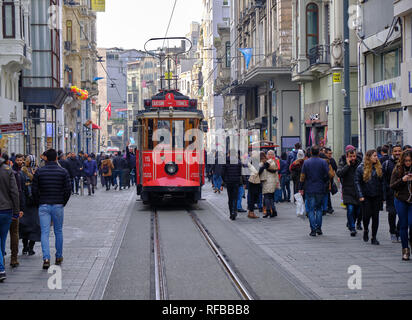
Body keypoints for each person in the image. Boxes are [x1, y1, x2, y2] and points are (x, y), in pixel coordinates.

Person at [32, 149, 71, 269]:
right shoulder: (63, 172)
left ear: (46, 158)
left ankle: (46, 258)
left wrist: (39, 201)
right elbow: (68, 190)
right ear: (56, 158)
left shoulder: (39, 172)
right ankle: (58, 256)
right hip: (58, 204)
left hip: (43, 204)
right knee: (58, 231)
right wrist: (62, 202)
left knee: (44, 232)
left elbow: (34, 190)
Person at [354, 150, 384, 245]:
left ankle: (374, 237)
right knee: (366, 216)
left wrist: (383, 196)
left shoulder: (379, 167)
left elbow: (382, 183)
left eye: (376, 156)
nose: (376, 157)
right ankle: (366, 229)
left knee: (376, 217)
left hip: (376, 196)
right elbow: (357, 182)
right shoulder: (361, 168)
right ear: (369, 157)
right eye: (374, 156)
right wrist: (360, 195)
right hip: (366, 196)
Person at [299, 145, 330, 236]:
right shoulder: (323, 162)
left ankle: (313, 229)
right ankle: (318, 228)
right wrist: (324, 183)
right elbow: (327, 175)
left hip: (309, 188)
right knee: (319, 209)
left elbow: (302, 176)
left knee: (311, 210)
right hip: (320, 188)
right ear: (319, 152)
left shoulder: (306, 163)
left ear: (311, 152)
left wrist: (301, 187)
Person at [0, 151, 20, 282]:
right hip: (6, 210)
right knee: (2, 239)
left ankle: (1, 268)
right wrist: (16, 211)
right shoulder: (8, 170)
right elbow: (14, 192)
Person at [390, 150, 412, 261]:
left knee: (411, 223)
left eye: (410, 161)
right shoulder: (398, 169)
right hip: (400, 200)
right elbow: (392, 186)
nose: (408, 163)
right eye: (406, 161)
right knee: (403, 225)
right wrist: (403, 180)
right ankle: (405, 250)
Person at [337, 147, 362, 237]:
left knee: (358, 211)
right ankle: (352, 228)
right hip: (348, 190)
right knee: (350, 209)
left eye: (354, 156)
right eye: (350, 156)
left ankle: (351, 222)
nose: (352, 158)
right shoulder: (343, 163)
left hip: (358, 190)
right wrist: (347, 165)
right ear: (347, 157)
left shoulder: (360, 163)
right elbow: (339, 174)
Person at [19, 155, 41, 256]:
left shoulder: (21, 173)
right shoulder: (38, 172)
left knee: (24, 226)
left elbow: (19, 189)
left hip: (24, 203)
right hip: (34, 204)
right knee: (34, 226)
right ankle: (31, 248)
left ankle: (25, 247)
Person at [382, 144, 403, 243]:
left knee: (402, 214)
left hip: (403, 193)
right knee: (392, 213)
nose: (397, 153)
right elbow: (383, 179)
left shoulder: (405, 163)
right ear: (392, 152)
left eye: (399, 151)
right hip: (391, 193)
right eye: (395, 151)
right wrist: (384, 194)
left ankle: (398, 231)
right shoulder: (387, 164)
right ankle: (392, 232)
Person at [10, 154, 25, 268]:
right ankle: (14, 258)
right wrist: (19, 209)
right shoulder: (13, 173)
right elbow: (17, 193)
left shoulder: (15, 172)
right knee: (14, 232)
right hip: (11, 208)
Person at [221, 150, 243, 221]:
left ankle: (231, 213)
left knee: (230, 198)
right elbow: (240, 173)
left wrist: (225, 180)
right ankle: (234, 211)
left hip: (229, 182)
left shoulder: (225, 162)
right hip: (236, 182)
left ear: (229, 154)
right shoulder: (238, 162)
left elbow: (222, 173)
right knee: (235, 198)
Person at [259, 150, 279, 218]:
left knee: (267, 197)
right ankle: (273, 211)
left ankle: (268, 211)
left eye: (271, 154)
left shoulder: (268, 162)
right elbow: (276, 172)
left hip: (267, 181)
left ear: (273, 155)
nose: (270, 155)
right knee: (271, 197)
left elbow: (262, 169)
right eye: (268, 154)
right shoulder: (275, 162)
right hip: (272, 181)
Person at [246, 151, 260, 219]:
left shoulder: (250, 161)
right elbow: (256, 171)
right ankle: (251, 212)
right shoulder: (254, 162)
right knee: (253, 197)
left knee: (252, 197)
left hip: (252, 180)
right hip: (254, 181)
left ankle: (250, 212)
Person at [325, 148, 337, 214]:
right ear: (326, 153)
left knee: (328, 193)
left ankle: (329, 207)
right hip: (325, 180)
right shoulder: (323, 160)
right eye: (329, 153)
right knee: (327, 194)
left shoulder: (332, 160)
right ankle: (328, 207)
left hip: (330, 180)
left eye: (331, 153)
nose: (330, 155)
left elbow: (336, 169)